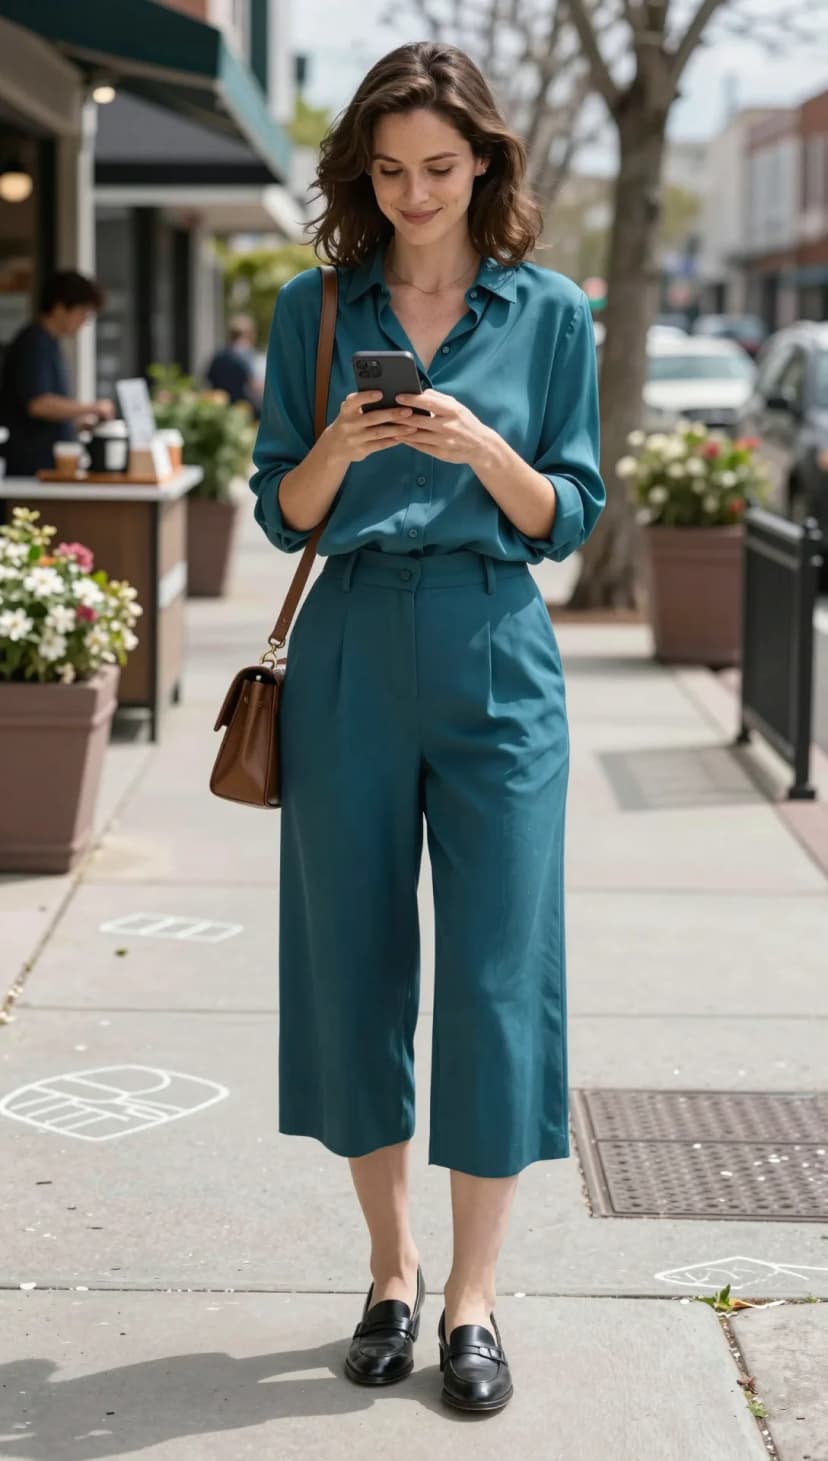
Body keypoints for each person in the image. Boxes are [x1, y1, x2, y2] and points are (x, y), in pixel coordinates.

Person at [248, 41, 605, 1414]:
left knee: (498, 974)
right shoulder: (315, 308)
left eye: (439, 169)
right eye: (389, 170)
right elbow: (285, 506)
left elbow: (569, 515)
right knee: (355, 962)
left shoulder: (551, 309)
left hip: (499, 648)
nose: (413, 193)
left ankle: (474, 1296)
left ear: (485, 165)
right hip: (349, 644)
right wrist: (341, 444)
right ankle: (391, 1272)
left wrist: (481, 449)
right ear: (362, 173)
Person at [0, 270, 113, 476]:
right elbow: (39, 404)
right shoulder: (34, 343)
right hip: (30, 468)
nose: (84, 321)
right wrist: (94, 408)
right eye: (82, 312)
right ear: (60, 308)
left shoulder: (50, 344)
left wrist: (79, 423)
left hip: (49, 465)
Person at [205, 315, 263, 413]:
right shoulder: (249, 355)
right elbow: (255, 385)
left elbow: (208, 379)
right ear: (250, 334)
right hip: (245, 409)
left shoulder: (219, 356)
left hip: (221, 408)